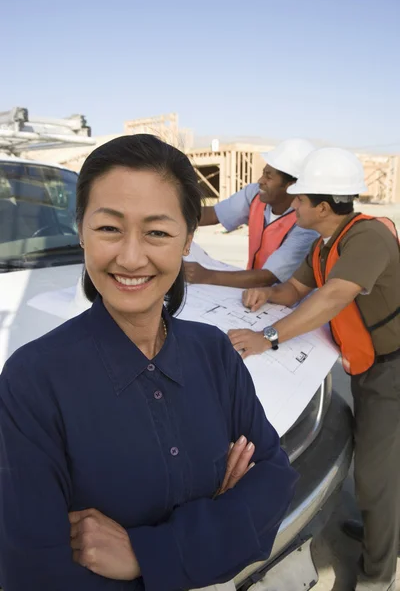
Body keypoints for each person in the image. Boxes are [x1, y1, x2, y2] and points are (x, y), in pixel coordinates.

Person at [0, 134, 298, 591]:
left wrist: (145, 553)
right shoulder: (33, 380)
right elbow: (37, 569)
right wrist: (219, 514)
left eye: (157, 231)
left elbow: (274, 481)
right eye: (109, 229)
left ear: (187, 241)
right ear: (81, 230)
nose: (132, 256)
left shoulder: (214, 352)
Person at [227, 147, 400, 591]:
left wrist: (268, 338)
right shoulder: (325, 245)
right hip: (366, 365)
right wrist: (265, 296)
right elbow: (295, 290)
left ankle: (378, 575)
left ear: (323, 206)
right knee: (378, 466)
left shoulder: (368, 238)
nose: (292, 204)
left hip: (393, 369)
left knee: (377, 474)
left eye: (300, 200)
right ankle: (385, 536)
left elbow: (331, 297)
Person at [184, 138, 318, 288]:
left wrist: (207, 276)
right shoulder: (255, 194)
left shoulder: (307, 224)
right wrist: (172, 217)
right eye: (263, 173)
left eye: (269, 176)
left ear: (291, 185)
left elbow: (267, 277)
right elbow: (214, 214)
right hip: (253, 291)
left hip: (283, 301)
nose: (261, 180)